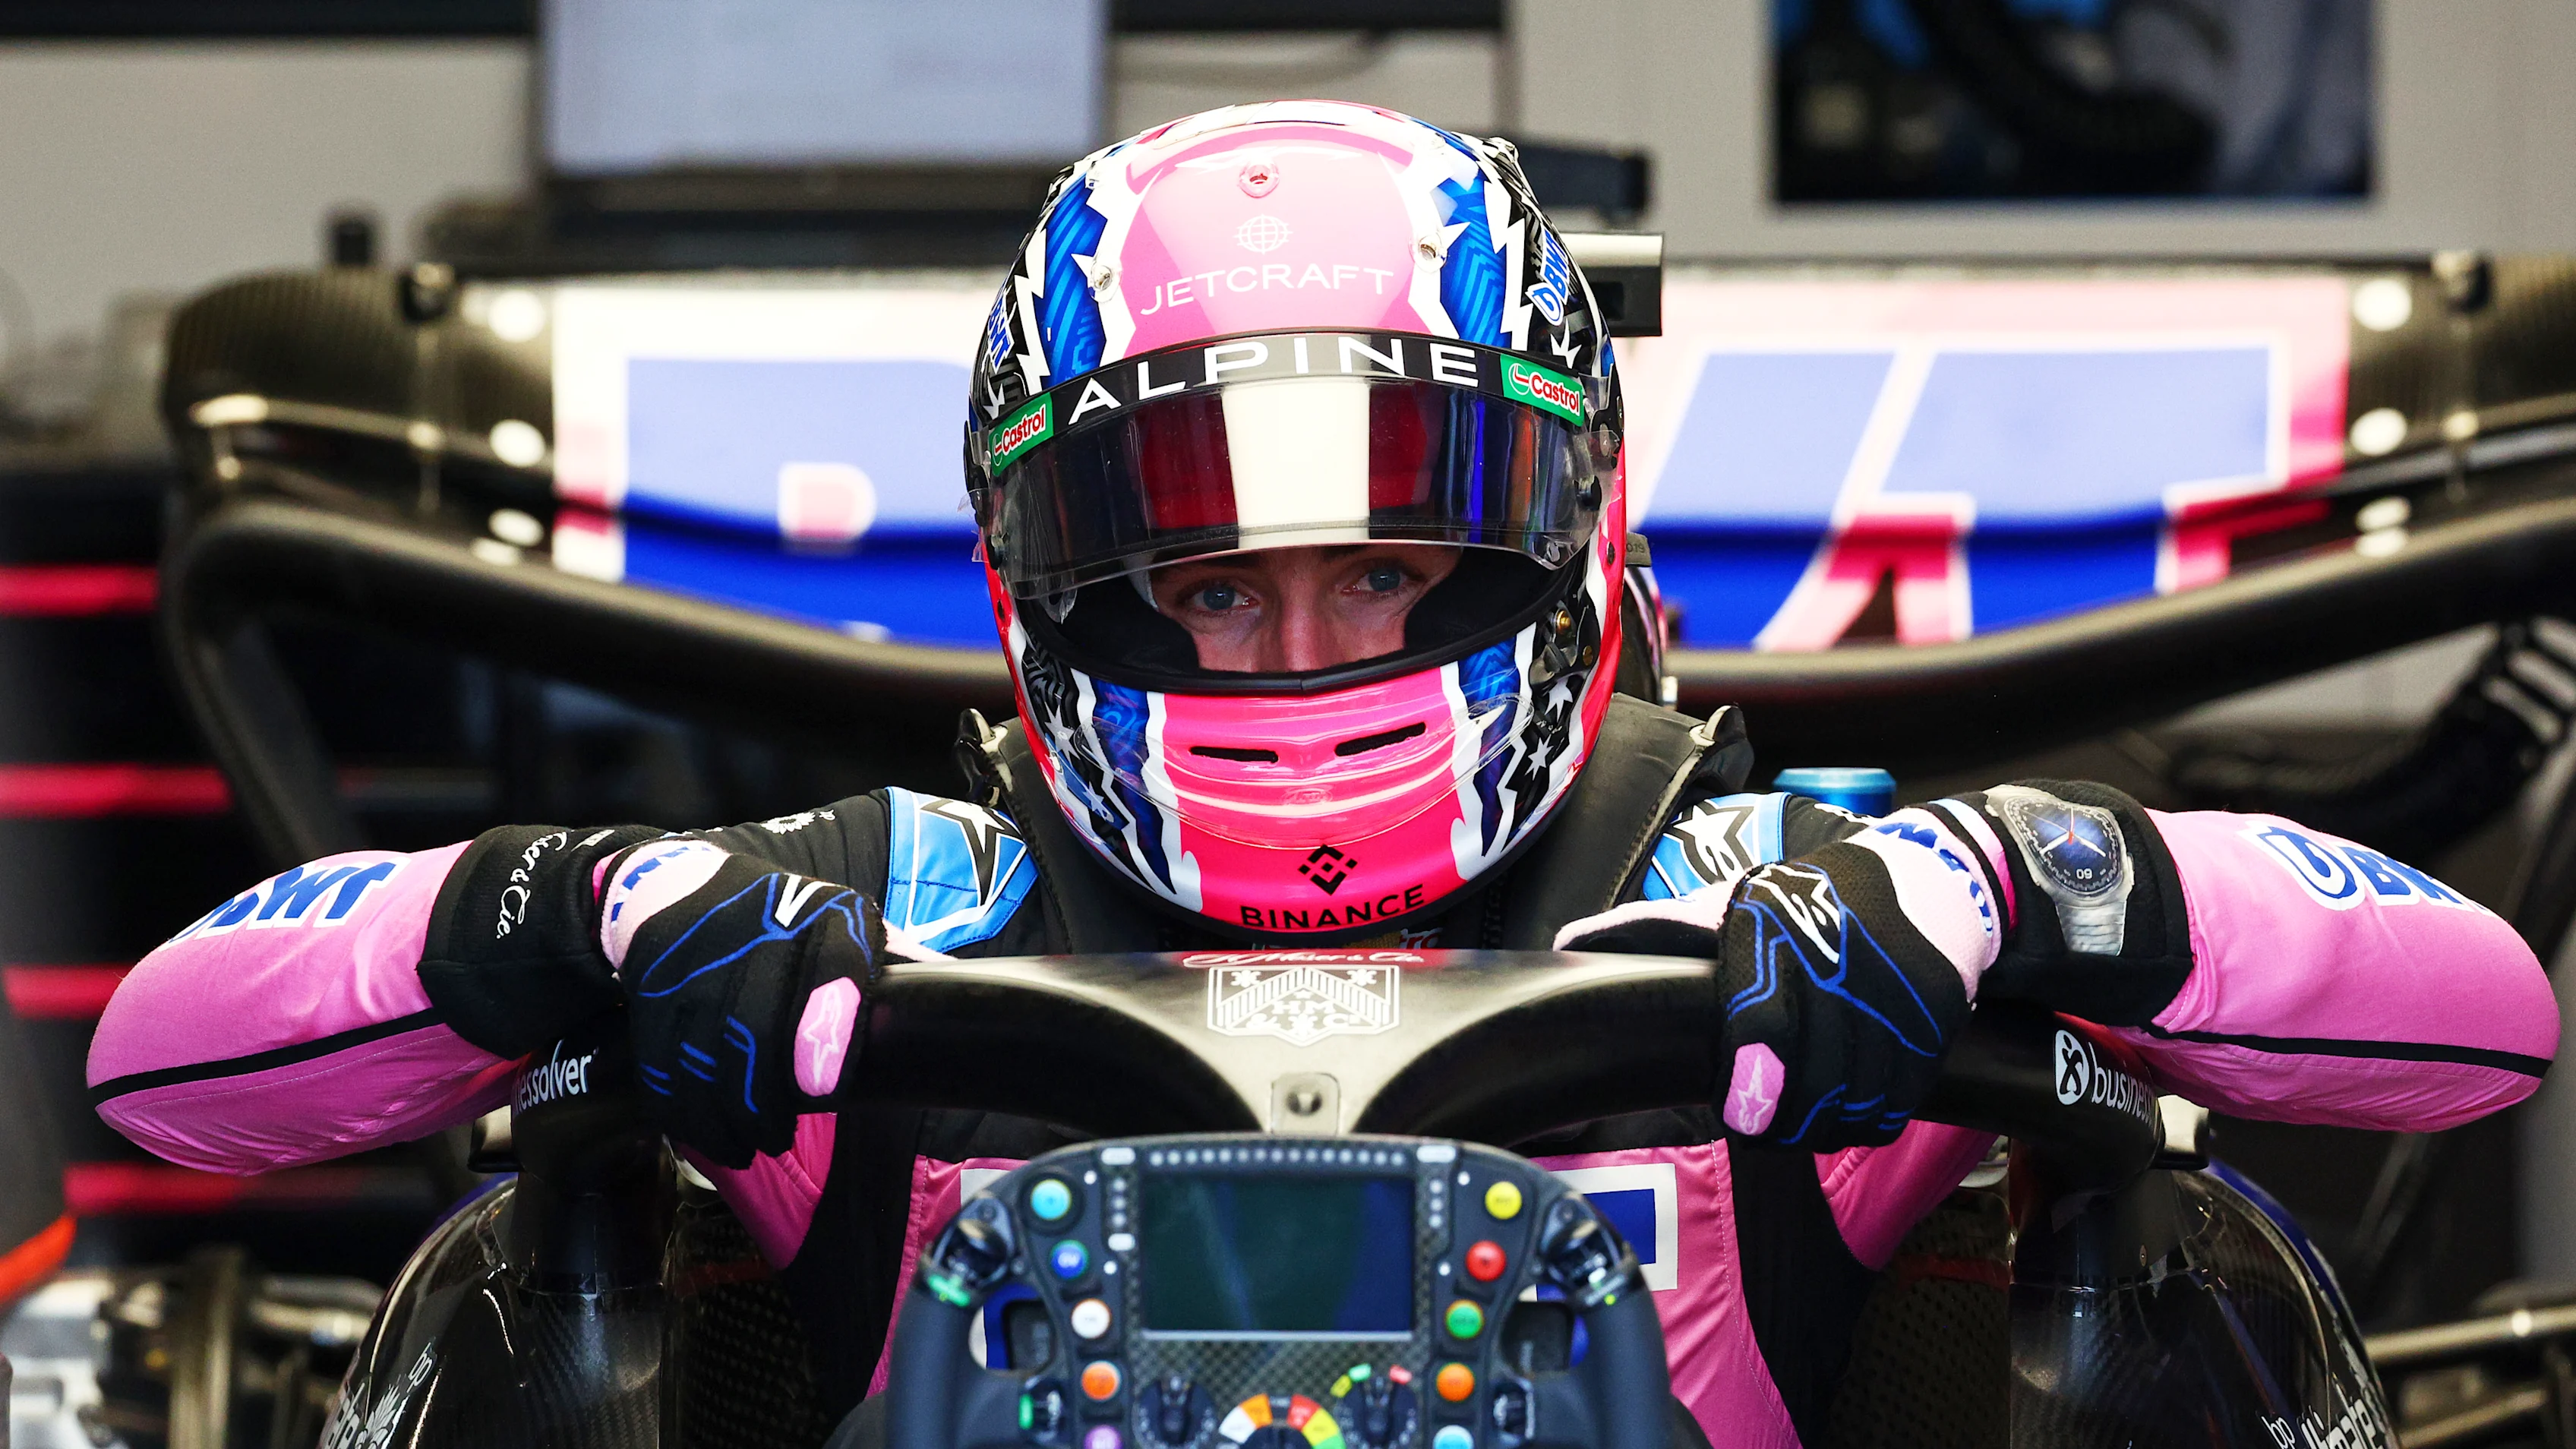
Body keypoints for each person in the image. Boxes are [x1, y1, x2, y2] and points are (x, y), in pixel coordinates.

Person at [89, 103, 2555, 1447]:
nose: (1300, 645)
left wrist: (2042, 883)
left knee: (2196, 1273)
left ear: (1555, 531)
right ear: (1052, 580)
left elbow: (2476, 1008)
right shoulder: (869, 920)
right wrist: (556, 913)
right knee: (509, 1279)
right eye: (1205, 581)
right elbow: (167, 1057)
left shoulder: (1794, 902)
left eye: (1386, 568)